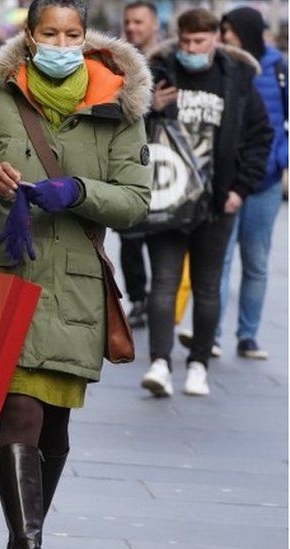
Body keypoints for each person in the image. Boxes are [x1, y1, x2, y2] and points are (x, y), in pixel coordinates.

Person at [0, 0, 151, 545]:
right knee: (18, 409)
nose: (61, 45)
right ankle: (27, 540)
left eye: (72, 34)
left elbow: (135, 202)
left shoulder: (119, 111)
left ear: (85, 38)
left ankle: (22, 534)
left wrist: (80, 191)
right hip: (9, 281)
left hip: (76, 290)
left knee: (54, 425)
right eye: (49, 33)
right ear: (30, 37)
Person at [140, 9, 272, 397]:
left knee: (208, 287)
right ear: (177, 38)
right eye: (185, 42)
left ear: (215, 38)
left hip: (216, 202)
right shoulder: (159, 71)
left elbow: (259, 135)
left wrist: (239, 190)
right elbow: (127, 129)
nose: (191, 49)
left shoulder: (237, 78)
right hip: (168, 197)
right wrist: (151, 107)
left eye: (199, 42)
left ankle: (198, 364)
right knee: (162, 283)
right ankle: (160, 363)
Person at [210, 7, 288, 360]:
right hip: (226, 179)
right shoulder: (221, 63)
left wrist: (281, 159)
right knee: (219, 259)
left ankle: (248, 335)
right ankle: (209, 334)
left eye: (231, 30)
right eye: (222, 30)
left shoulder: (278, 67)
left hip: (266, 180)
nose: (225, 37)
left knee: (256, 261)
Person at [119, 0, 161, 327]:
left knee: (162, 238)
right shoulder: (117, 63)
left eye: (139, 22)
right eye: (128, 22)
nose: (133, 28)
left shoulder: (169, 63)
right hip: (126, 164)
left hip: (164, 166)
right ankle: (137, 299)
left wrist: (157, 106)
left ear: (154, 25)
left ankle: (160, 299)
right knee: (130, 239)